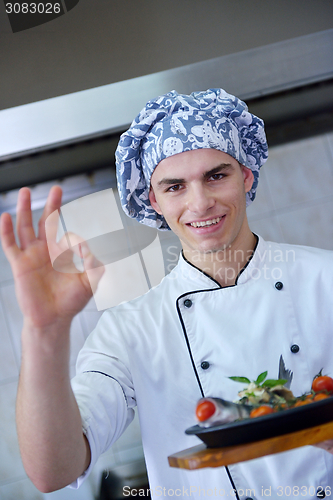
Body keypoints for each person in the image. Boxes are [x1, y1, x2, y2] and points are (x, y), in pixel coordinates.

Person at [1, 88, 333, 500]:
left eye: (216, 175)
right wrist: (43, 331)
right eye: (175, 186)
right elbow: (53, 471)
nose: (200, 203)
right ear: (153, 200)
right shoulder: (131, 327)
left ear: (245, 175)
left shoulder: (326, 278)